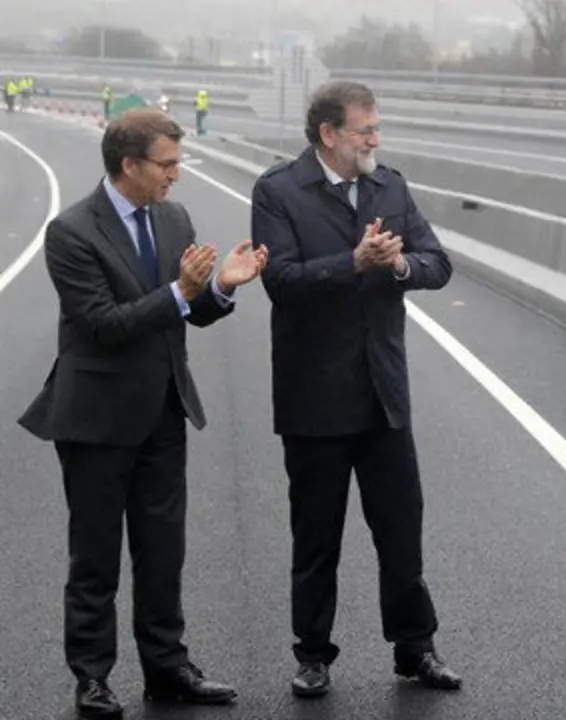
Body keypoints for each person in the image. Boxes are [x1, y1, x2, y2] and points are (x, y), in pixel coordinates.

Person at [18, 108, 268, 719]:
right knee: (96, 558)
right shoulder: (72, 232)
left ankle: (167, 667)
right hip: (97, 420)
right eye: (168, 164)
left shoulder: (173, 216)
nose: (176, 176)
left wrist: (221, 288)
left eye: (177, 164)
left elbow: (190, 312)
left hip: (162, 410)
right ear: (129, 165)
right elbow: (102, 325)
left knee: (163, 551)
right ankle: (93, 677)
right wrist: (182, 292)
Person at [250, 80, 459, 698]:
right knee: (316, 539)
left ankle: (415, 648)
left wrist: (397, 265)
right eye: (365, 129)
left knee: (401, 532)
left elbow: (437, 263)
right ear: (328, 134)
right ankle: (313, 654)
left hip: (383, 395)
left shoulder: (389, 185)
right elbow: (281, 281)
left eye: (376, 128)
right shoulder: (279, 190)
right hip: (314, 398)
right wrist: (354, 262)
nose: (375, 139)